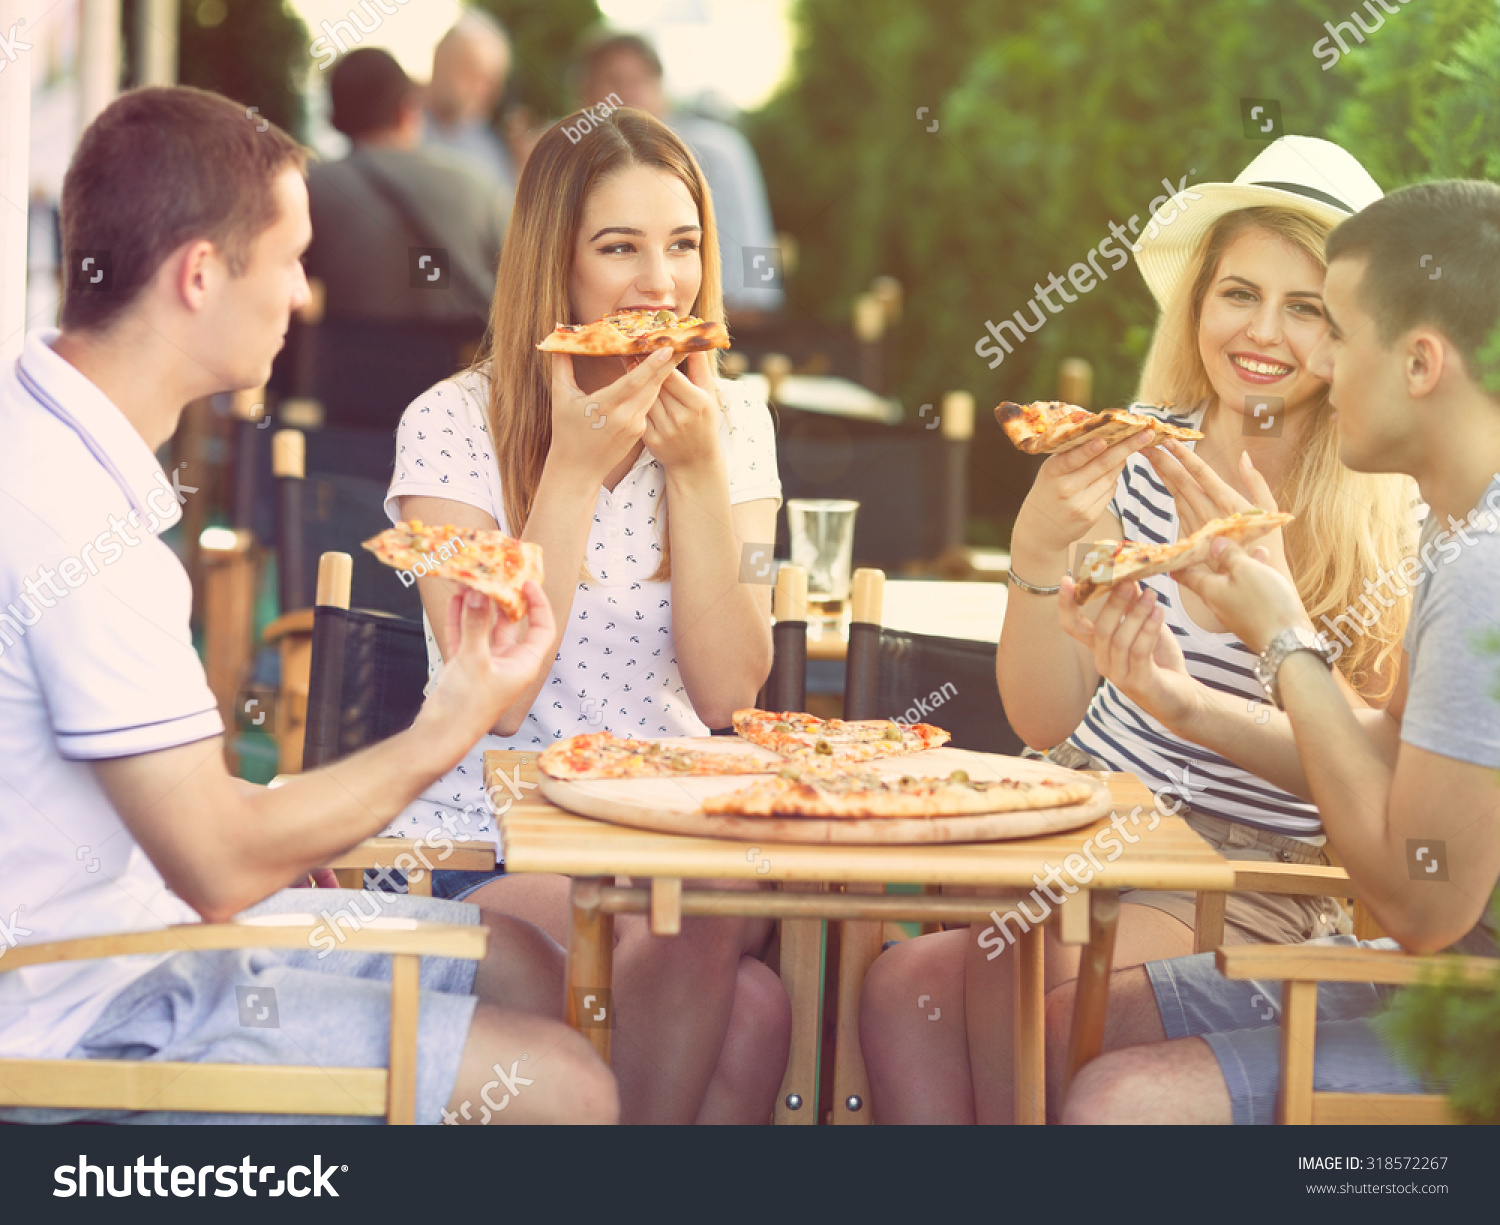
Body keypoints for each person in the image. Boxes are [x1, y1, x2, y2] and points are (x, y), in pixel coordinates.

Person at [0, 85, 615, 1125]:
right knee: (569, 1089)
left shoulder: (56, 452)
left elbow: (197, 831)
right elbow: (223, 863)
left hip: (133, 934)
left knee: (520, 957)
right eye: (290, 259)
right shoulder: (67, 518)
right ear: (199, 275)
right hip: (88, 1012)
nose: (304, 295)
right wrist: (454, 717)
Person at [859, 137, 1417, 1123]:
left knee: (1021, 992)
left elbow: (1376, 784)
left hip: (1249, 876)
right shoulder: (1132, 453)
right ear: (1198, 302)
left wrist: (1257, 650)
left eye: (1308, 309)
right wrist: (1035, 550)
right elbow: (1041, 712)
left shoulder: (1391, 508)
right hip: (1090, 830)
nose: (1264, 334)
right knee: (900, 991)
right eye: (1238, 293)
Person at [1059, 178, 1500, 1123]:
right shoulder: (1463, 533)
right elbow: (1387, 756)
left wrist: (1284, 635)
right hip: (1452, 984)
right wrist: (1185, 703)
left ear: (1420, 362)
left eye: (1334, 328)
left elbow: (1425, 907)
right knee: (1073, 1021)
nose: (1316, 362)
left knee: (1116, 1100)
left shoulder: (1484, 571)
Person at [382, 105, 790, 1123]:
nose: (662, 284)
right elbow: (500, 696)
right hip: (482, 843)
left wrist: (697, 475)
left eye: (685, 245)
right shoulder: (449, 424)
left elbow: (733, 691)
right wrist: (568, 472)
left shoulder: (736, 421)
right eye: (621, 248)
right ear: (553, 266)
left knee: (744, 977)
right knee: (744, 1008)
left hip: (672, 842)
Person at [576, 32, 784, 324]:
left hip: (717, 323)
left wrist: (745, 309)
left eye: (640, 81)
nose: (627, 95)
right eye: (613, 82)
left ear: (661, 88)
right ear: (584, 94)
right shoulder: (575, 158)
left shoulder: (713, 151)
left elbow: (756, 272)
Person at [308, 47, 506, 329]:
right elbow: (523, 282)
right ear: (407, 110)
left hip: (347, 369)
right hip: (459, 368)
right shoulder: (476, 184)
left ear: (334, 118)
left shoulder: (311, 189)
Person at [424, 8, 520, 197]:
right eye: (475, 75)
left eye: (493, 81)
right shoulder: (394, 127)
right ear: (441, 60)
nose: (487, 92)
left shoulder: (488, 148)